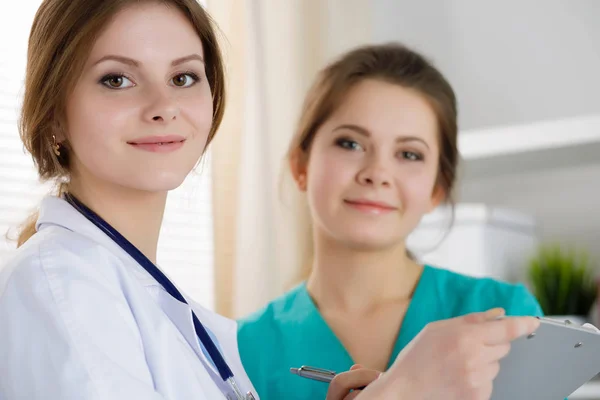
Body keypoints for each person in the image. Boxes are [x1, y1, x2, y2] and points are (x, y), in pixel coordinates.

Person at [0, 0, 539, 398]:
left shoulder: (157, 301)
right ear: (52, 115)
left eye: (185, 76)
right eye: (116, 79)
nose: (164, 105)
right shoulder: (63, 287)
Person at [237, 42, 544, 400]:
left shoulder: (503, 318)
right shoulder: (241, 350)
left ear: (436, 189)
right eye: (350, 144)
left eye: (409, 154)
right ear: (300, 166)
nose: (377, 173)